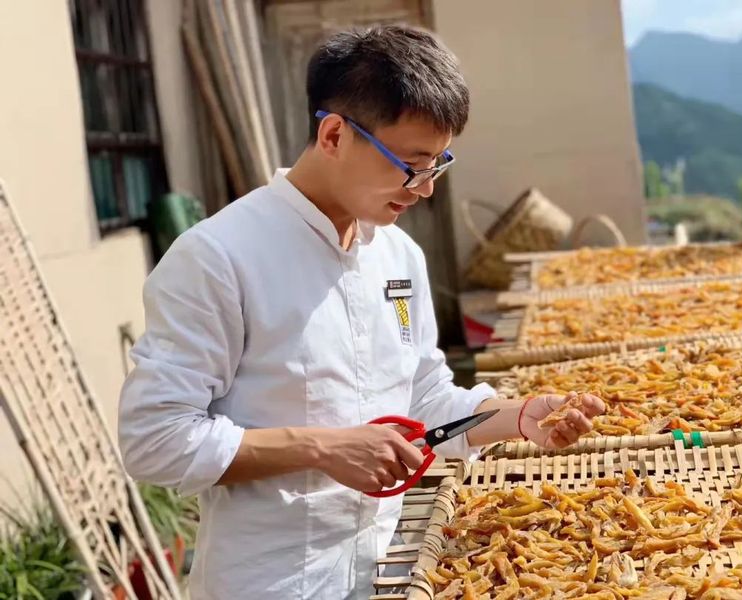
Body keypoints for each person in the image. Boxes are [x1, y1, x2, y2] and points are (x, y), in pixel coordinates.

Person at [118, 24, 604, 599]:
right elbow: (154, 437)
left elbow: (423, 398)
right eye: (411, 164)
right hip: (272, 582)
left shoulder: (398, 255)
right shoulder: (219, 257)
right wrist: (323, 447)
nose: (424, 188)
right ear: (333, 135)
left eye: (437, 164)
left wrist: (518, 418)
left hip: (388, 568)